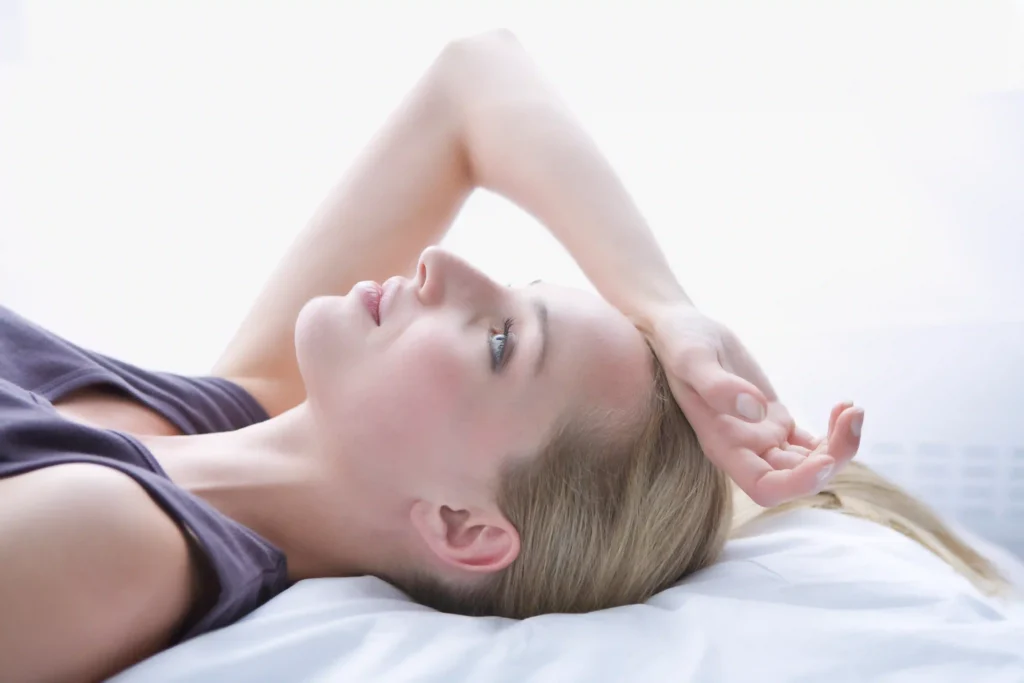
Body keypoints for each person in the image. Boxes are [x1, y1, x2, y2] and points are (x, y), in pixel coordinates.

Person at [0, 31, 1005, 683]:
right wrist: (667, 309)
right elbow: (472, 78)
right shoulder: (233, 407)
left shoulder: (112, 542)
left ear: (461, 524)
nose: (442, 260)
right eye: (514, 293)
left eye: (496, 342)